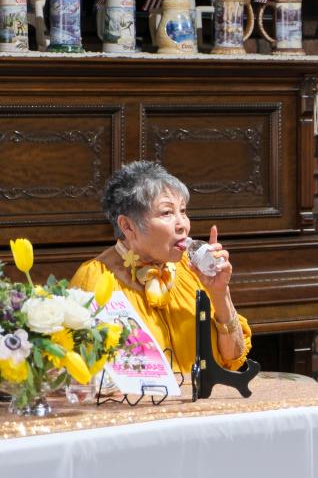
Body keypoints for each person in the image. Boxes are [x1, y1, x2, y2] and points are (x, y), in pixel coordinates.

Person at [71, 160, 251, 374]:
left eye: (183, 211)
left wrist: (220, 294)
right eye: (167, 213)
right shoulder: (95, 279)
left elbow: (233, 359)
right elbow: (82, 372)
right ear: (127, 226)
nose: (182, 224)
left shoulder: (193, 270)